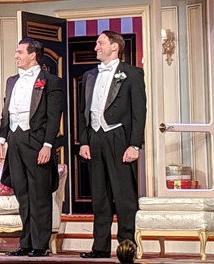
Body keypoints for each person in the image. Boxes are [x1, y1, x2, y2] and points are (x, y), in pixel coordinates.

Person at [78, 31, 146, 259]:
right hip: (95, 137)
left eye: (100, 43)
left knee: (124, 195)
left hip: (119, 138)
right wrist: (84, 141)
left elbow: (139, 112)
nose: (96, 47)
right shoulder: (89, 76)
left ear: (115, 47)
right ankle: (100, 247)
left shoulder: (132, 74)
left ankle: (126, 246)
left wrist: (134, 145)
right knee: (99, 195)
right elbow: (82, 113)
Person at [0, 38, 63, 257]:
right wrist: (1, 140)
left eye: (19, 52)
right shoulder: (11, 80)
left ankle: (40, 245)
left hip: (36, 141)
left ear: (32, 55)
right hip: (14, 140)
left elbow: (54, 117)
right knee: (22, 194)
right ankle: (25, 243)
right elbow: (6, 112)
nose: (16, 56)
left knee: (39, 194)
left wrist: (48, 145)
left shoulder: (50, 81)